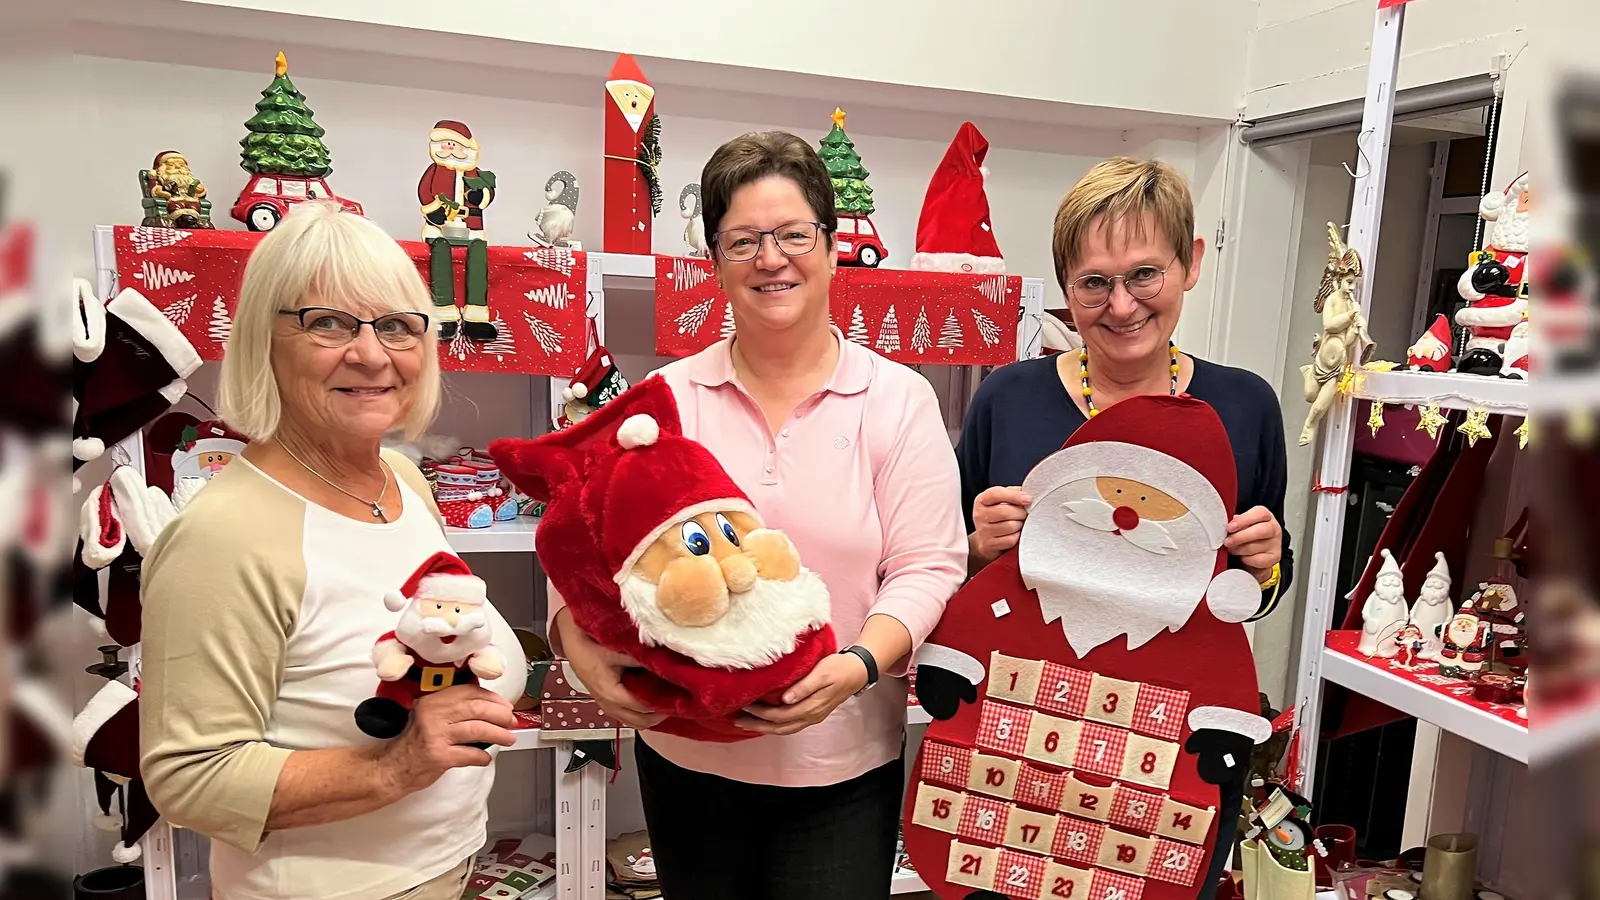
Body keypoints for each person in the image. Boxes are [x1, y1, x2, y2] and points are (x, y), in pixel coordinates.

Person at [548, 131, 967, 899]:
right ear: (714, 262)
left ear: (835, 247)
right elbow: (587, 549)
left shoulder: (897, 399)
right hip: (688, 756)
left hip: (840, 761)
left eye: (794, 235)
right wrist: (575, 639)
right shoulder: (667, 400)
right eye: (743, 241)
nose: (771, 259)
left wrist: (860, 664)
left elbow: (928, 563)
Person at [138, 201, 526, 900]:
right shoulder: (226, 534)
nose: (372, 354)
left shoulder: (402, 483)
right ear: (265, 340)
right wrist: (393, 767)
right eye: (328, 323)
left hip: (450, 868)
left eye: (399, 327)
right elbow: (188, 777)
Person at [960, 156, 1293, 617]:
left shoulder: (1245, 407)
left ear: (1191, 264)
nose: (1120, 306)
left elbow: (1261, 592)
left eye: (1144, 274)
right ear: (1065, 288)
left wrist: (1263, 568)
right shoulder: (1008, 398)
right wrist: (978, 547)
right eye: (1094, 282)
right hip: (1021, 681)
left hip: (1178, 685)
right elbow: (941, 562)